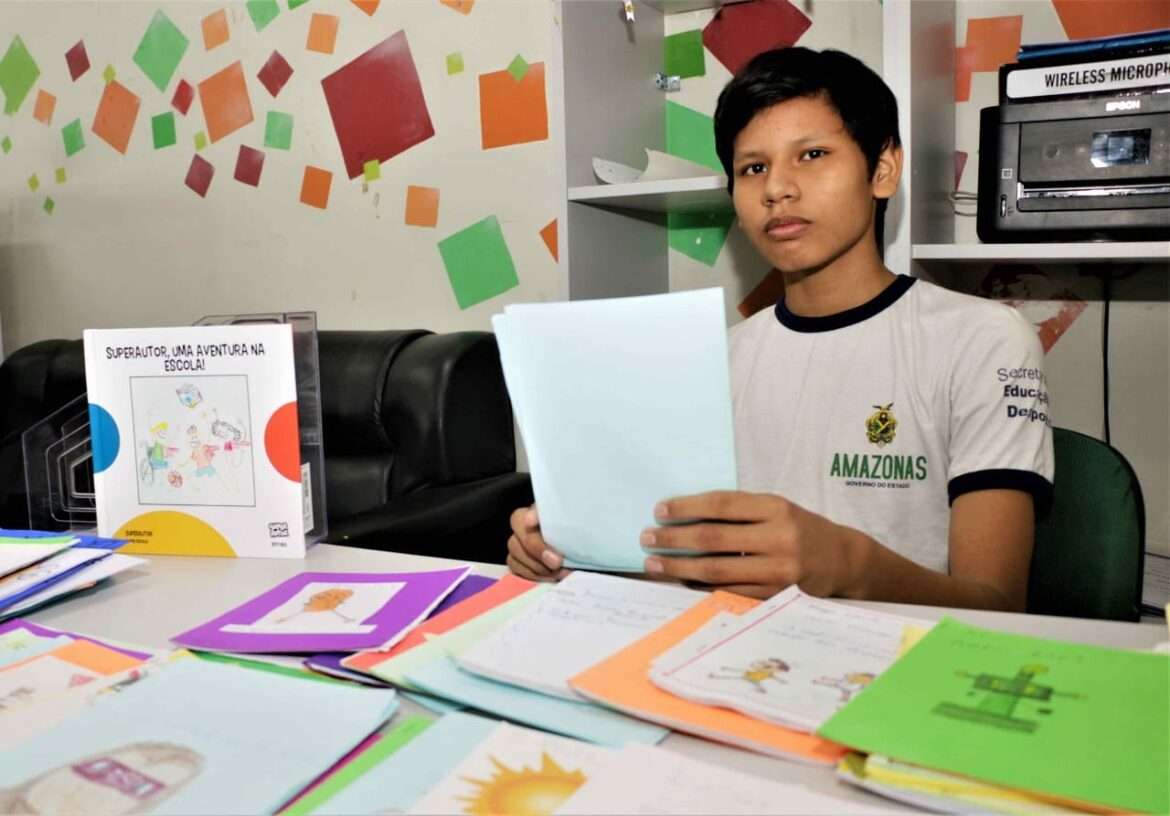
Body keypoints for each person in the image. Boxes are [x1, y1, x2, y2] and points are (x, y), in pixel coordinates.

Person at [507, 47, 1053, 612]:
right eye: (753, 168)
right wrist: (565, 554)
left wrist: (847, 565)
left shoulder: (983, 340)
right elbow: (672, 562)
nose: (777, 189)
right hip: (723, 660)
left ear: (883, 169)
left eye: (812, 154)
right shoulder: (712, 361)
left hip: (904, 669)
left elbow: (997, 606)